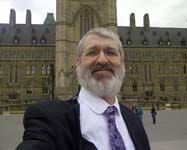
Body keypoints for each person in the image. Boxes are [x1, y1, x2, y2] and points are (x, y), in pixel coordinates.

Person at [16, 28, 150, 150]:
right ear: (77, 63)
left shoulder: (134, 121)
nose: (102, 60)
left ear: (122, 64)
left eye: (111, 52)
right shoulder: (51, 119)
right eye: (92, 52)